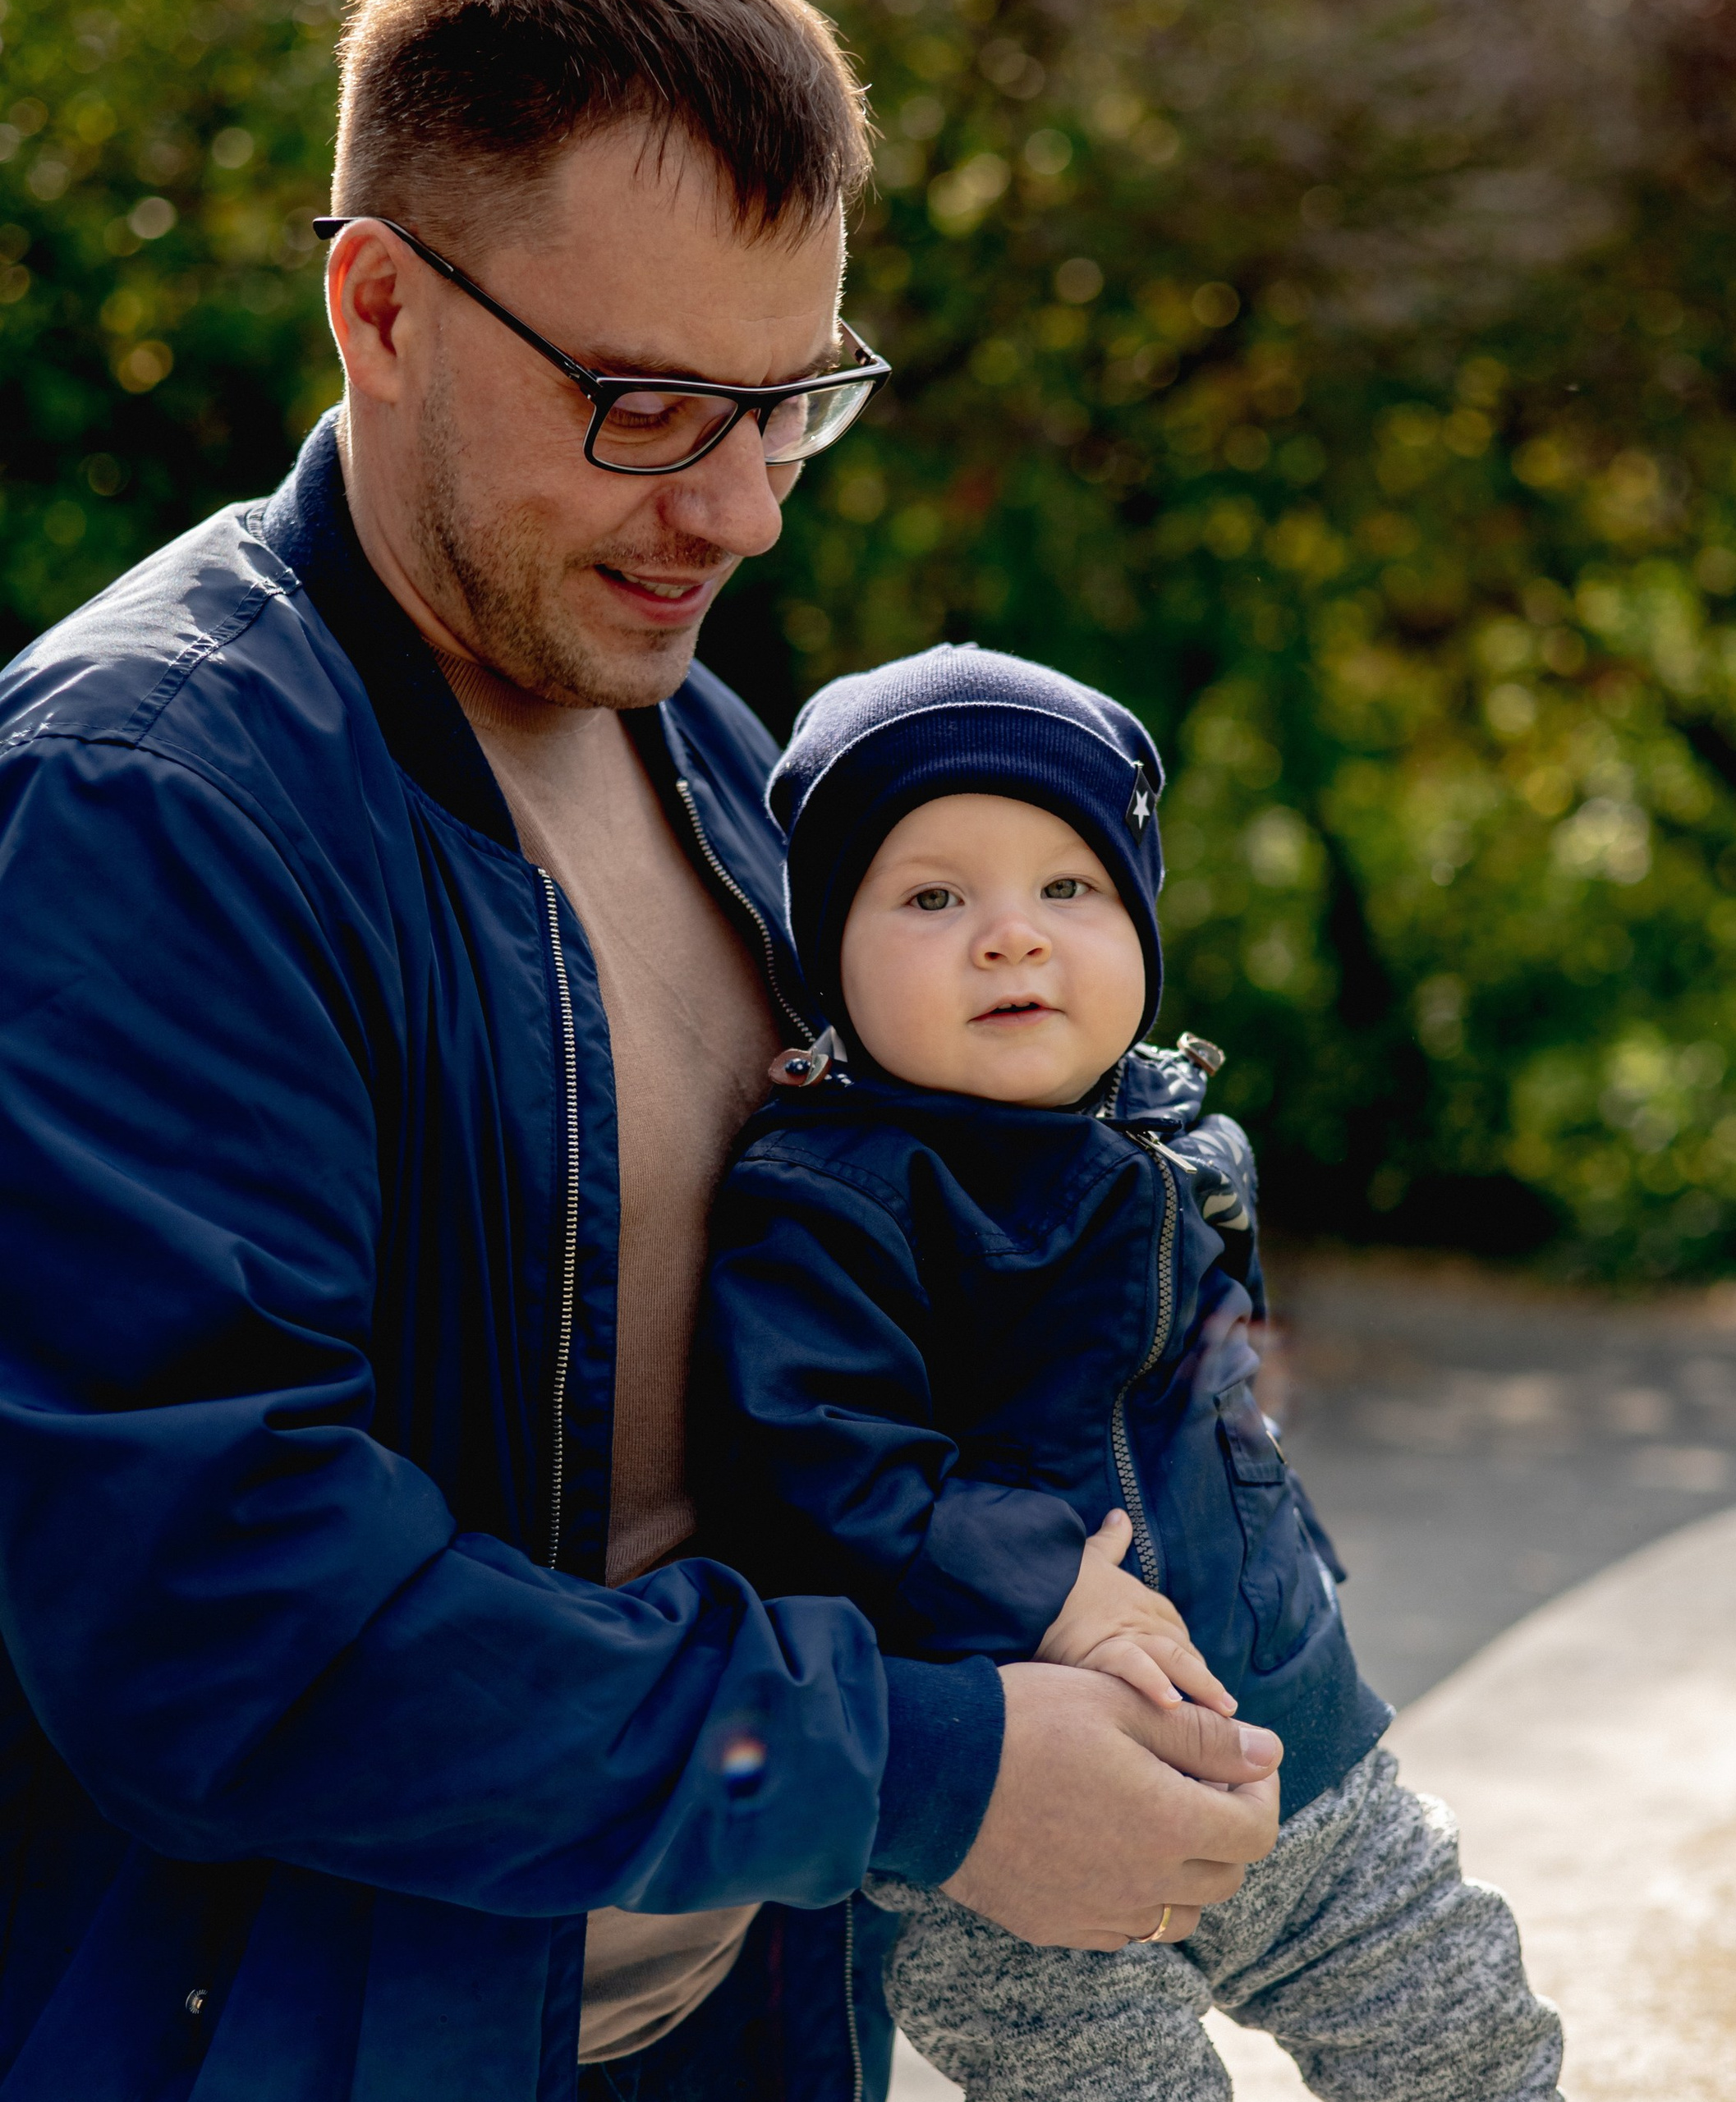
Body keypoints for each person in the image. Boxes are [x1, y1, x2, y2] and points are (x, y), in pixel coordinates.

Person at [0, 2, 1284, 2097]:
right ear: (381, 307)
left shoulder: (706, 747)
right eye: (650, 404)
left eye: (789, 404)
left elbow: (841, 1363)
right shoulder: (149, 804)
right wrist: (932, 1768)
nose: (743, 510)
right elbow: (220, 1617)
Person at [696, 644, 1565, 2101]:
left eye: (1068, 887)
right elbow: (812, 1463)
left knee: (1464, 2031)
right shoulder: (832, 1201)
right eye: (931, 898)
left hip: (1293, 1743)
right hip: (1025, 1835)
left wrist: (1287, 1572)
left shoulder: (1181, 1143)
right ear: (825, 958)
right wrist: (1046, 1586)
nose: (1010, 938)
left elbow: (1227, 1402)